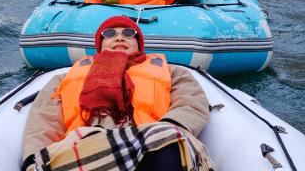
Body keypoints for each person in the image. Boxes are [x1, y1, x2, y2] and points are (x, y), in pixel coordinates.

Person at [20, 16, 213, 171]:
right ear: (100, 44)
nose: (119, 38)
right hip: (84, 144)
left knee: (167, 138)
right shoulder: (63, 78)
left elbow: (191, 102)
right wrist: (33, 156)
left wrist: (165, 129)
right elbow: (44, 119)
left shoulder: (172, 72)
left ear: (138, 44)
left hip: (148, 142)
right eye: (110, 33)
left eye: (129, 33)